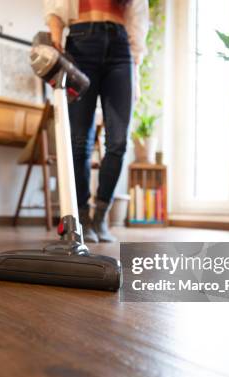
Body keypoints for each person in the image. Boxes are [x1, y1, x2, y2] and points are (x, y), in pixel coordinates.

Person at [43, 0, 149, 242]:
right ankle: (82, 219)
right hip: (81, 42)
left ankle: (101, 217)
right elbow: (55, 6)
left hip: (121, 47)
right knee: (79, 140)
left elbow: (138, 16)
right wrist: (56, 40)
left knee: (119, 141)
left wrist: (136, 71)